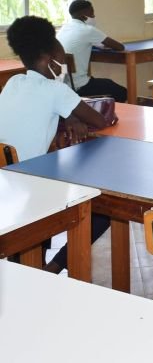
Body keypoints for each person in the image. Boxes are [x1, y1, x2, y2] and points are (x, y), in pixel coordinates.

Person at [1, 15, 111, 273]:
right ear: (49, 55)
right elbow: (100, 120)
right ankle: (51, 268)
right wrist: (73, 114)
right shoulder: (57, 91)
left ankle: (28, 265)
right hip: (31, 190)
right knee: (101, 213)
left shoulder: (13, 83)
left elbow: (37, 111)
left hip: (7, 187)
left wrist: (70, 115)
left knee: (50, 183)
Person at [57, 0, 128, 101]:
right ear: (83, 14)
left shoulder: (64, 28)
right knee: (122, 92)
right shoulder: (88, 30)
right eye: (91, 12)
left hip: (65, 85)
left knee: (105, 83)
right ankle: (108, 114)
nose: (94, 16)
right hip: (81, 86)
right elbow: (120, 47)